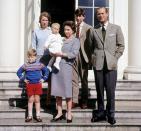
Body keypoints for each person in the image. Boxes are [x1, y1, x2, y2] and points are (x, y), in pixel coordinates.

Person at [91, 7, 125, 125]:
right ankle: (100, 113)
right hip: (98, 65)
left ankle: (110, 114)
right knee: (99, 91)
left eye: (102, 13)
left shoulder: (116, 28)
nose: (100, 15)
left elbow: (121, 46)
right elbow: (90, 47)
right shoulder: (93, 30)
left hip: (111, 65)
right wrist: (93, 59)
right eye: (98, 14)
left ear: (107, 14)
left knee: (110, 91)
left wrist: (114, 58)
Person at [51, 21, 80, 123]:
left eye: (68, 29)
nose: (66, 31)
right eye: (65, 29)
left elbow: (74, 53)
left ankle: (68, 113)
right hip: (56, 67)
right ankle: (59, 112)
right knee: (57, 91)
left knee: (68, 92)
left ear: (73, 30)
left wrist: (62, 54)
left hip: (67, 67)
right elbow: (53, 47)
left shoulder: (76, 41)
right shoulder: (60, 39)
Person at [17, 49, 49, 122]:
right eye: (29, 57)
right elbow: (18, 72)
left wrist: (43, 79)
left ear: (35, 57)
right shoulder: (26, 65)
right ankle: (29, 116)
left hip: (37, 84)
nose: (30, 58)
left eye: (32, 57)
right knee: (30, 100)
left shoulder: (39, 64)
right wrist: (23, 79)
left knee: (37, 100)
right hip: (30, 85)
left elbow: (46, 71)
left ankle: (38, 115)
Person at [72, 8, 94, 109]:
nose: (78, 17)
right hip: (73, 56)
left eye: (80, 15)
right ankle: (75, 100)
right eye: (77, 15)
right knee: (74, 80)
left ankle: (84, 101)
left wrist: (91, 58)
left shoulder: (88, 28)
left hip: (83, 56)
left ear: (84, 16)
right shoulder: (72, 27)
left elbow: (91, 44)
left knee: (84, 80)